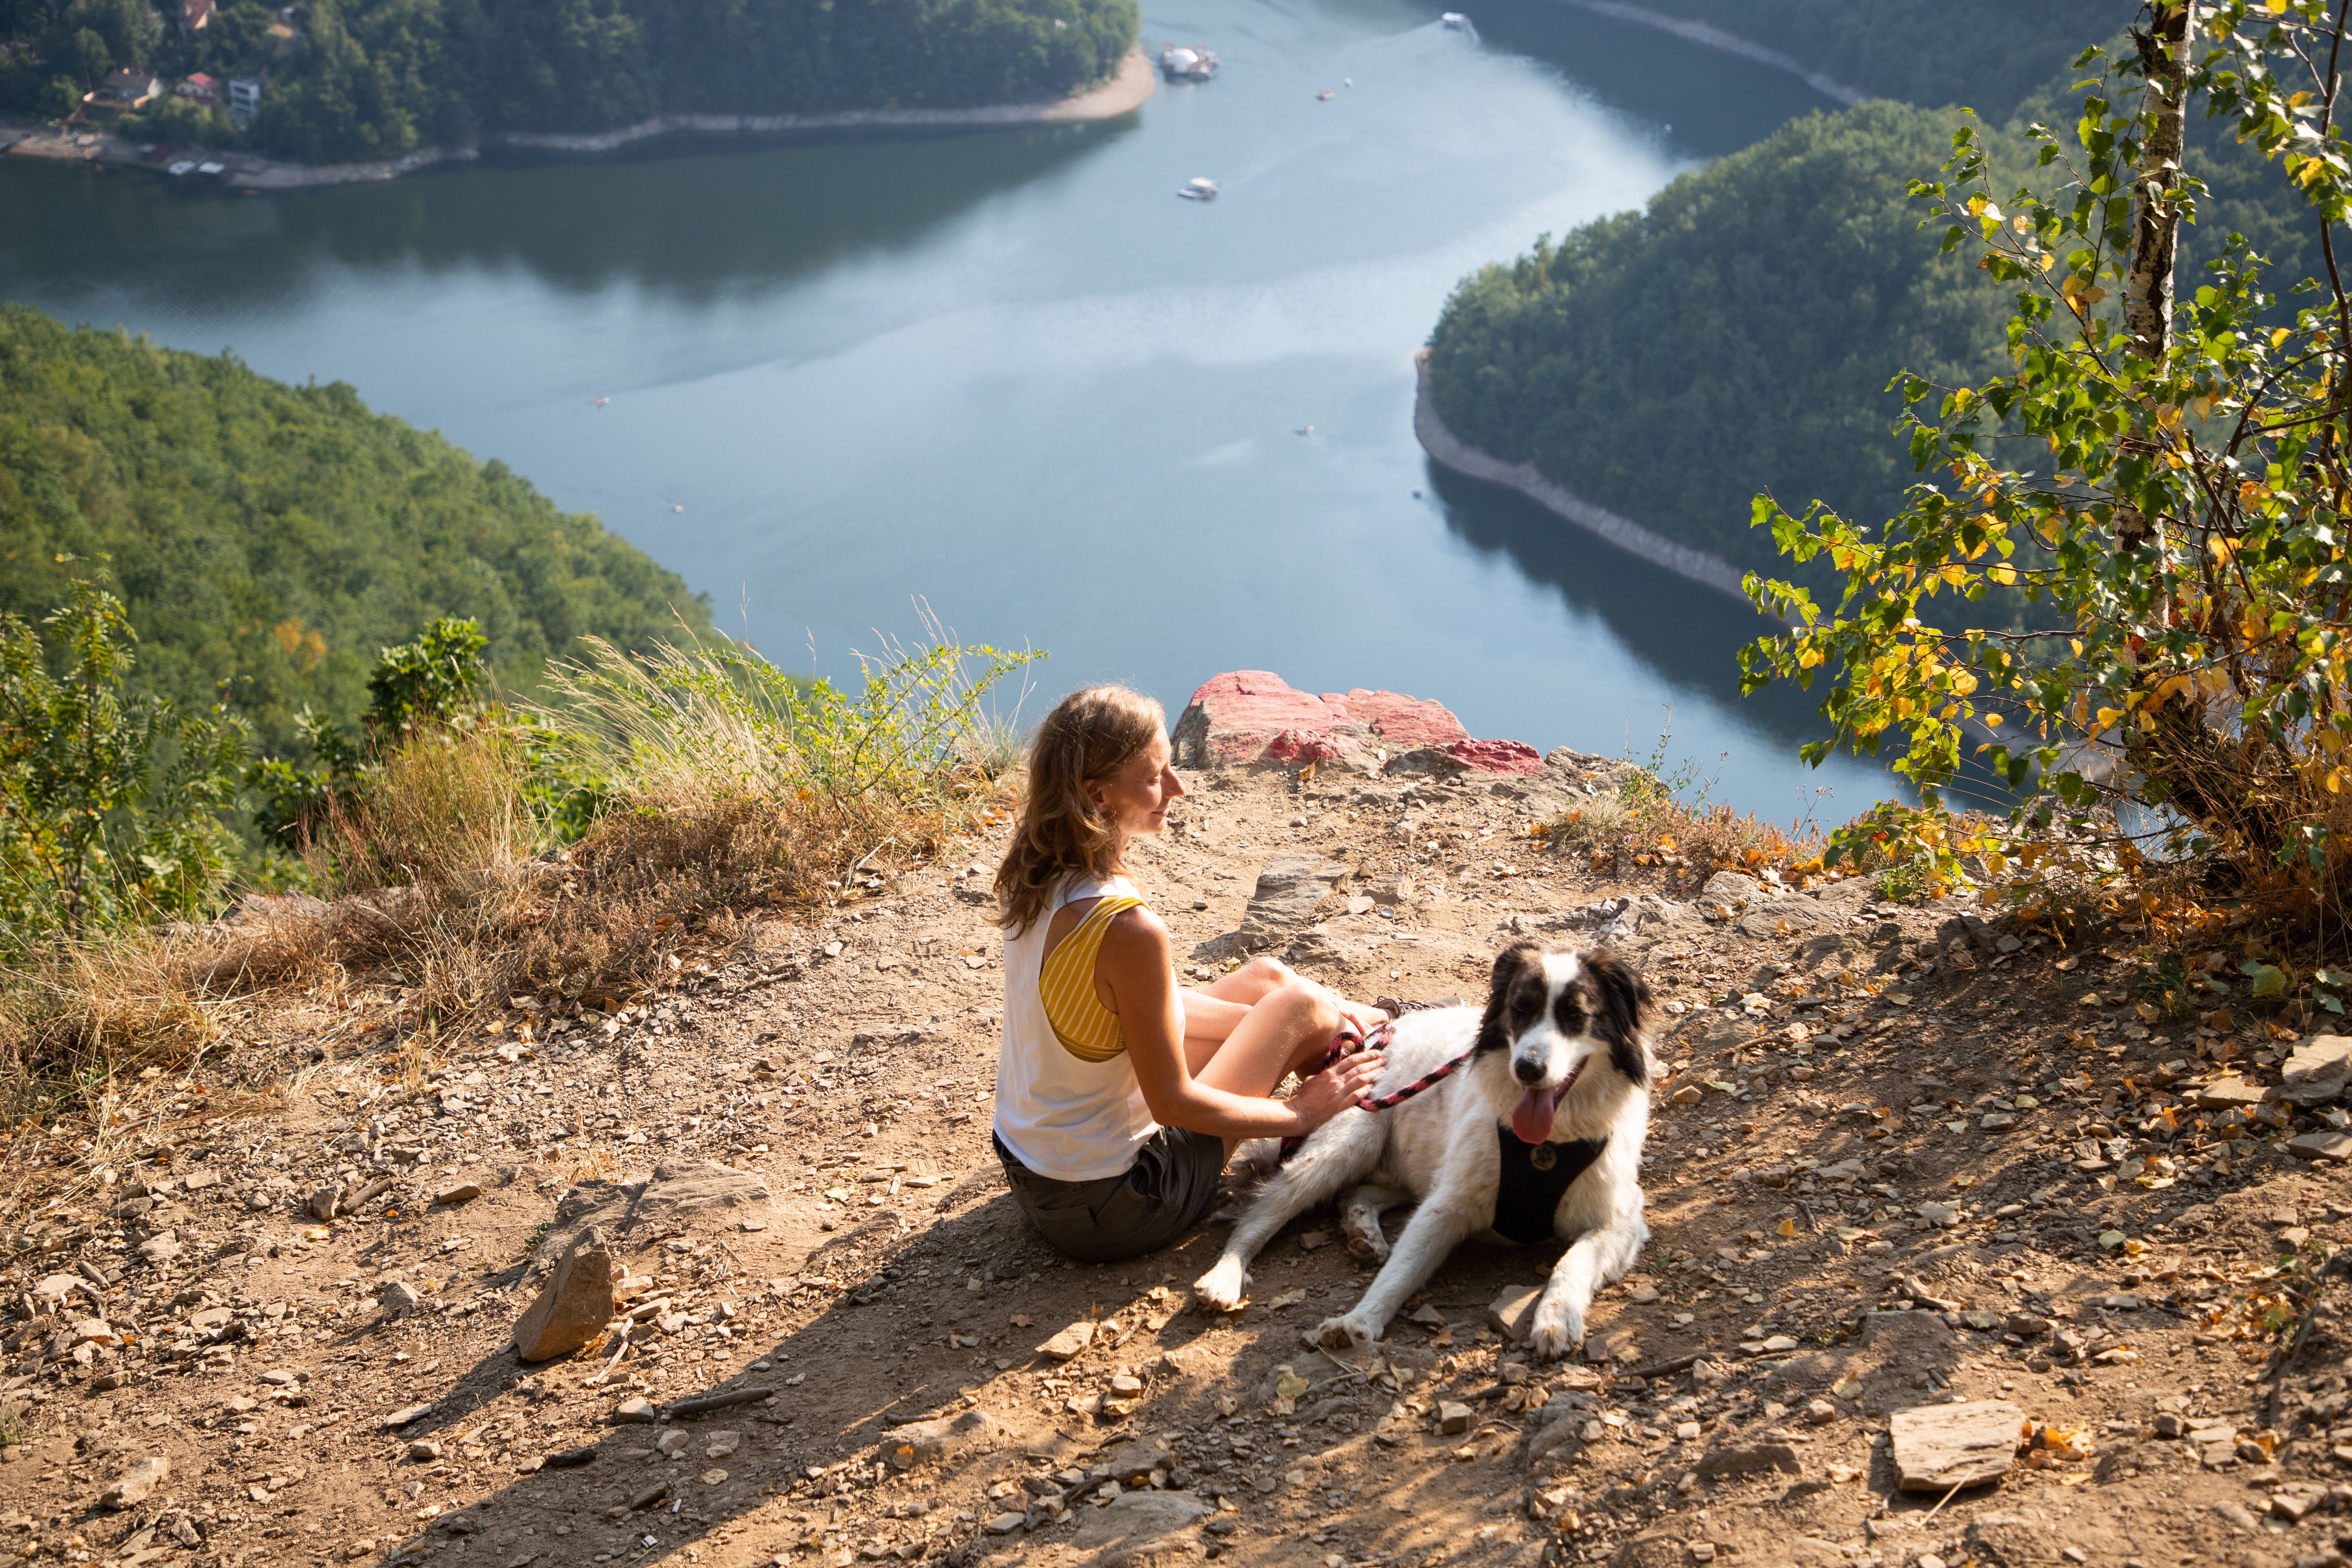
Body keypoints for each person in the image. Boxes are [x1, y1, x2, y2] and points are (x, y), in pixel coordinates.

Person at [991, 685, 1390, 1263]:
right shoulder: (1128, 929)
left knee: (1269, 980)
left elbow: (1132, 1007)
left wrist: (1275, 1012)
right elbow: (1173, 1103)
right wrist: (1298, 1110)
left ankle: (1349, 1048)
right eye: (1156, 777)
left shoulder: (1038, 876)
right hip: (1118, 1206)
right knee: (1299, 1008)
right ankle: (1364, 1118)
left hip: (1038, 1174)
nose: (1177, 788)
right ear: (1097, 796)